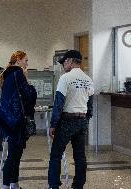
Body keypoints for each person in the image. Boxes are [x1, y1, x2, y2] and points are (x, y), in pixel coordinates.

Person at [48, 50, 94, 189]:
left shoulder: (65, 78)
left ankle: (54, 186)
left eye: (64, 63)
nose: (63, 65)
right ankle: (78, 186)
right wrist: (85, 120)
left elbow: (59, 103)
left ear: (69, 61)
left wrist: (53, 124)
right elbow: (90, 105)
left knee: (56, 154)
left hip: (67, 120)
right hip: (82, 120)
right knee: (80, 156)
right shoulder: (88, 79)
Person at [0, 50, 37, 189]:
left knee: (16, 153)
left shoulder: (7, 74)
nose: (27, 63)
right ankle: (7, 185)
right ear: (18, 60)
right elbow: (28, 95)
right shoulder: (18, 73)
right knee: (13, 155)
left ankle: (14, 183)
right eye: (26, 60)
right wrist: (30, 83)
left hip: (7, 119)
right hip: (16, 120)